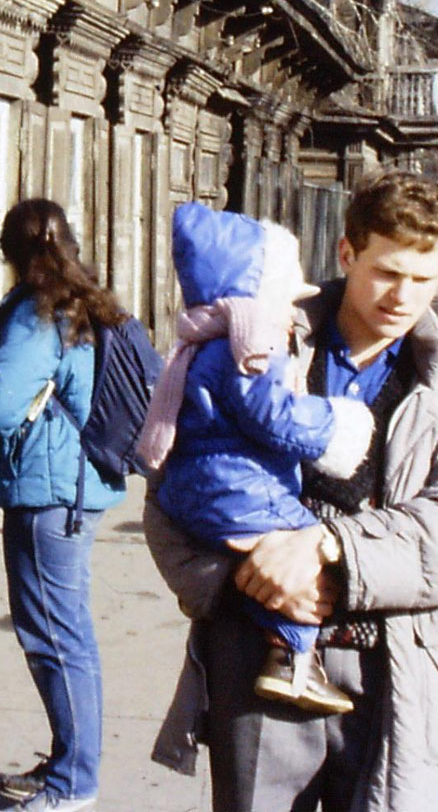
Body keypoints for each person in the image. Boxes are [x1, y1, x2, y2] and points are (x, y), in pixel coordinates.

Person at [143, 173, 438, 812]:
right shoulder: (254, 347)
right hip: (256, 661)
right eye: (387, 273)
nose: (405, 297)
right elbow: (170, 498)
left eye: (424, 278)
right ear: (347, 254)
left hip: (403, 672)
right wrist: (247, 575)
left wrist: (331, 549)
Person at [146, 204, 375, 717]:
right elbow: (273, 416)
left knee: (268, 554)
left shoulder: (202, 339)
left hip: (196, 485)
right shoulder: (249, 342)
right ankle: (294, 660)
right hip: (238, 485)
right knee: (303, 542)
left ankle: (265, 634)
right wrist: (336, 425)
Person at [0, 199, 128, 812]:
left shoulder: (38, 315)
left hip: (49, 486)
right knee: (65, 630)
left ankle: (73, 782)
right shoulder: (87, 301)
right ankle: (68, 760)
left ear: (9, 251)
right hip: (76, 483)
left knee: (55, 636)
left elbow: (2, 406)